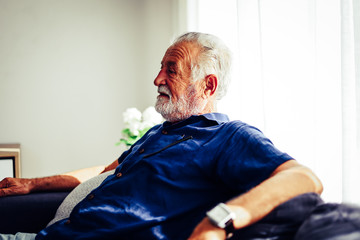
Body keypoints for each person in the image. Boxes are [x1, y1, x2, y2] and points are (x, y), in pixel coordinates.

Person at [0, 32, 323, 240]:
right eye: (161, 67)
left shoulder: (228, 136)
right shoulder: (158, 133)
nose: (157, 79)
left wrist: (219, 221)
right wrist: (31, 183)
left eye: (172, 69)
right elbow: (104, 172)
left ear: (208, 85)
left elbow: (303, 177)